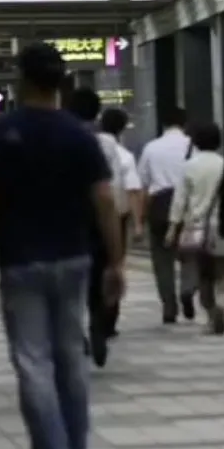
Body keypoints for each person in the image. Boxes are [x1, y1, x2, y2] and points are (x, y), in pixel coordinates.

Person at [0, 42, 124, 449]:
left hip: (20, 259)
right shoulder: (79, 135)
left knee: (33, 360)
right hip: (74, 256)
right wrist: (115, 261)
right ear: (62, 82)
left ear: (22, 79)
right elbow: (104, 201)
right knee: (69, 357)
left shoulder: (0, 133)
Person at [68, 88, 124, 367]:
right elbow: (109, 186)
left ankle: (78, 331)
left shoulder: (62, 137)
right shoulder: (108, 143)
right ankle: (99, 327)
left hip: (70, 218)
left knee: (73, 279)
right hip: (100, 216)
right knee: (101, 273)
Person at [165, 123, 224, 335]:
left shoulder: (189, 166)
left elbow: (180, 200)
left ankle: (212, 316)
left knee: (204, 274)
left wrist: (173, 228)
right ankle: (221, 301)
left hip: (198, 227)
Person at [138, 107, 196, 324]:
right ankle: (188, 288)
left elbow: (143, 186)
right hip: (188, 208)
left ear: (163, 124)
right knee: (190, 252)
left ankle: (168, 305)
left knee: (162, 260)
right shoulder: (192, 146)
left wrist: (140, 219)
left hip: (159, 207)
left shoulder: (151, 148)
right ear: (185, 124)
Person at [100, 107, 143, 334]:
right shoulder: (125, 156)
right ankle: (109, 317)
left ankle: (95, 313)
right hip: (117, 217)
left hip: (90, 218)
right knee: (115, 263)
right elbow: (133, 190)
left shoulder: (90, 147)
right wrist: (137, 224)